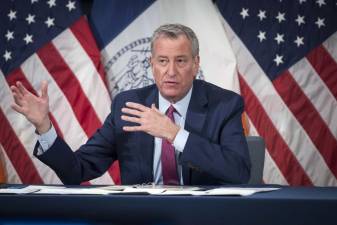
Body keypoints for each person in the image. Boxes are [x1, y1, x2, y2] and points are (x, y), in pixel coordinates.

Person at [10, 24, 251, 185]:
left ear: (196, 64)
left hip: (200, 218)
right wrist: (44, 127)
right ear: (151, 64)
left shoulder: (225, 105)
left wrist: (174, 134)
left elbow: (239, 171)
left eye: (181, 61)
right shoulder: (129, 105)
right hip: (141, 217)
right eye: (163, 61)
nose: (171, 71)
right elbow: (77, 170)